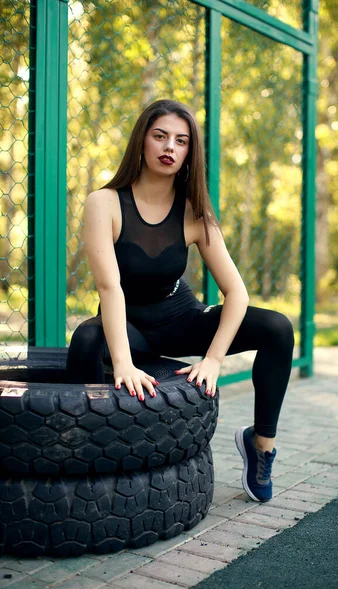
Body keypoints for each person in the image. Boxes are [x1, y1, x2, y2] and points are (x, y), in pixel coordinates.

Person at [66, 99, 294, 502]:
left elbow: (236, 292)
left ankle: (261, 446)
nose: (170, 146)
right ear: (142, 141)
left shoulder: (194, 212)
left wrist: (214, 359)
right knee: (86, 339)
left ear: (190, 152)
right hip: (128, 325)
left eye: (181, 140)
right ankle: (84, 448)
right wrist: (123, 362)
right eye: (160, 136)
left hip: (180, 317)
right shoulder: (104, 203)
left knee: (277, 327)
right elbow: (109, 288)